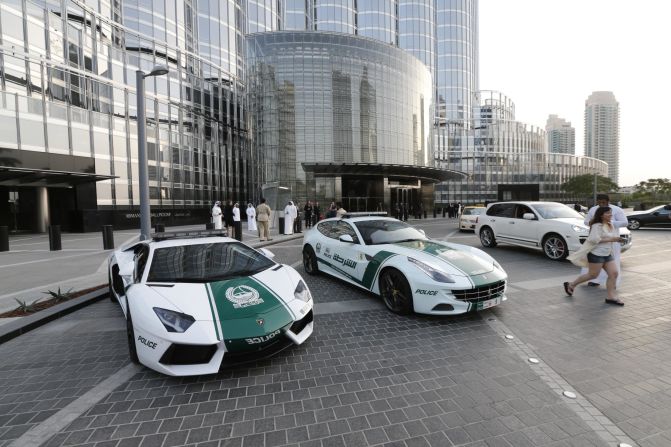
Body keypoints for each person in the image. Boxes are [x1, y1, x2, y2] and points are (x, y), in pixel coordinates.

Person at [565, 206, 624, 305]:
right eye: (608, 213)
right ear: (601, 215)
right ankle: (571, 284)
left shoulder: (610, 224)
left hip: (608, 253)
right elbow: (593, 239)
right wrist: (612, 239)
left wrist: (617, 238)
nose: (610, 215)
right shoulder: (597, 225)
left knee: (614, 273)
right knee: (593, 275)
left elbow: (609, 236)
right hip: (596, 254)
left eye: (610, 212)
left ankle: (610, 297)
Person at [582, 194, 627, 287]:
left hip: (612, 241)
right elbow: (586, 221)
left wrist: (611, 222)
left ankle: (613, 281)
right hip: (598, 241)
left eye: (603, 202)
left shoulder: (617, 209)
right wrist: (593, 222)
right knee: (596, 262)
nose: (601, 204)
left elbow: (625, 222)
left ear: (608, 201)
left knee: (613, 261)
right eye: (599, 202)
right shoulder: (593, 209)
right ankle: (595, 280)